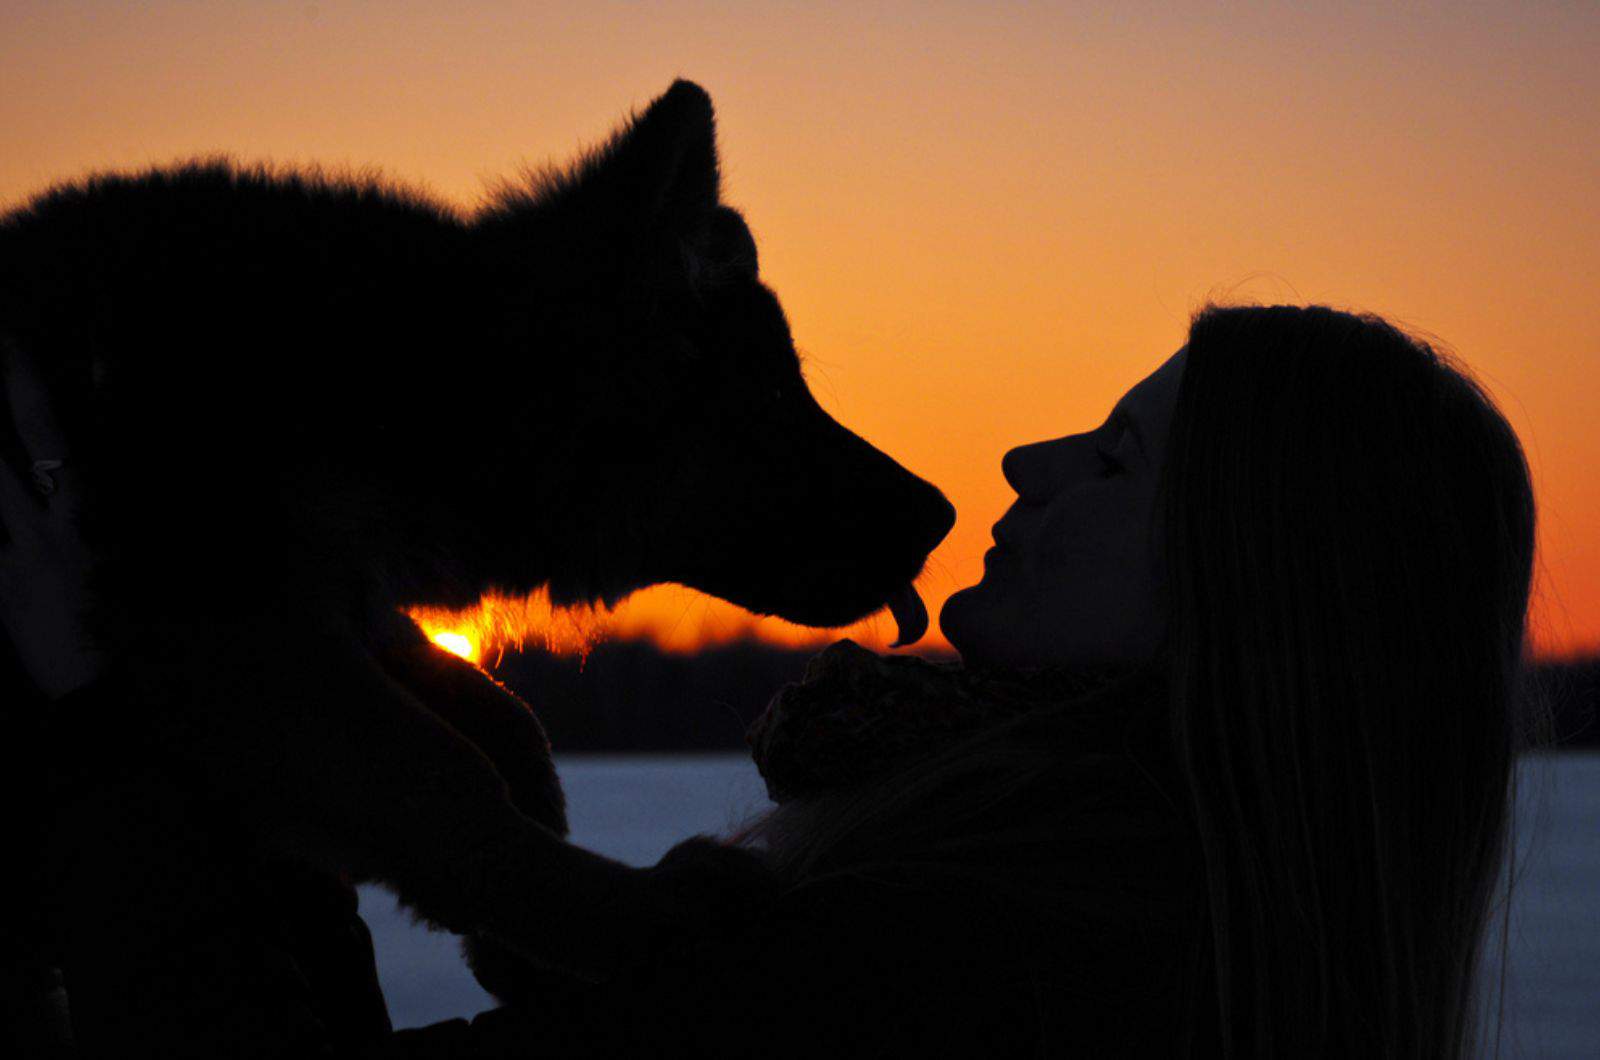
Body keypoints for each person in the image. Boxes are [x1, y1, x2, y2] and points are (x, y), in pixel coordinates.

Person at [1, 304, 1546, 1058]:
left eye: (1122, 452)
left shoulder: (1001, 948)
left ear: (1241, 582)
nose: (1029, 456)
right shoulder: (1117, 899)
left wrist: (111, 723)